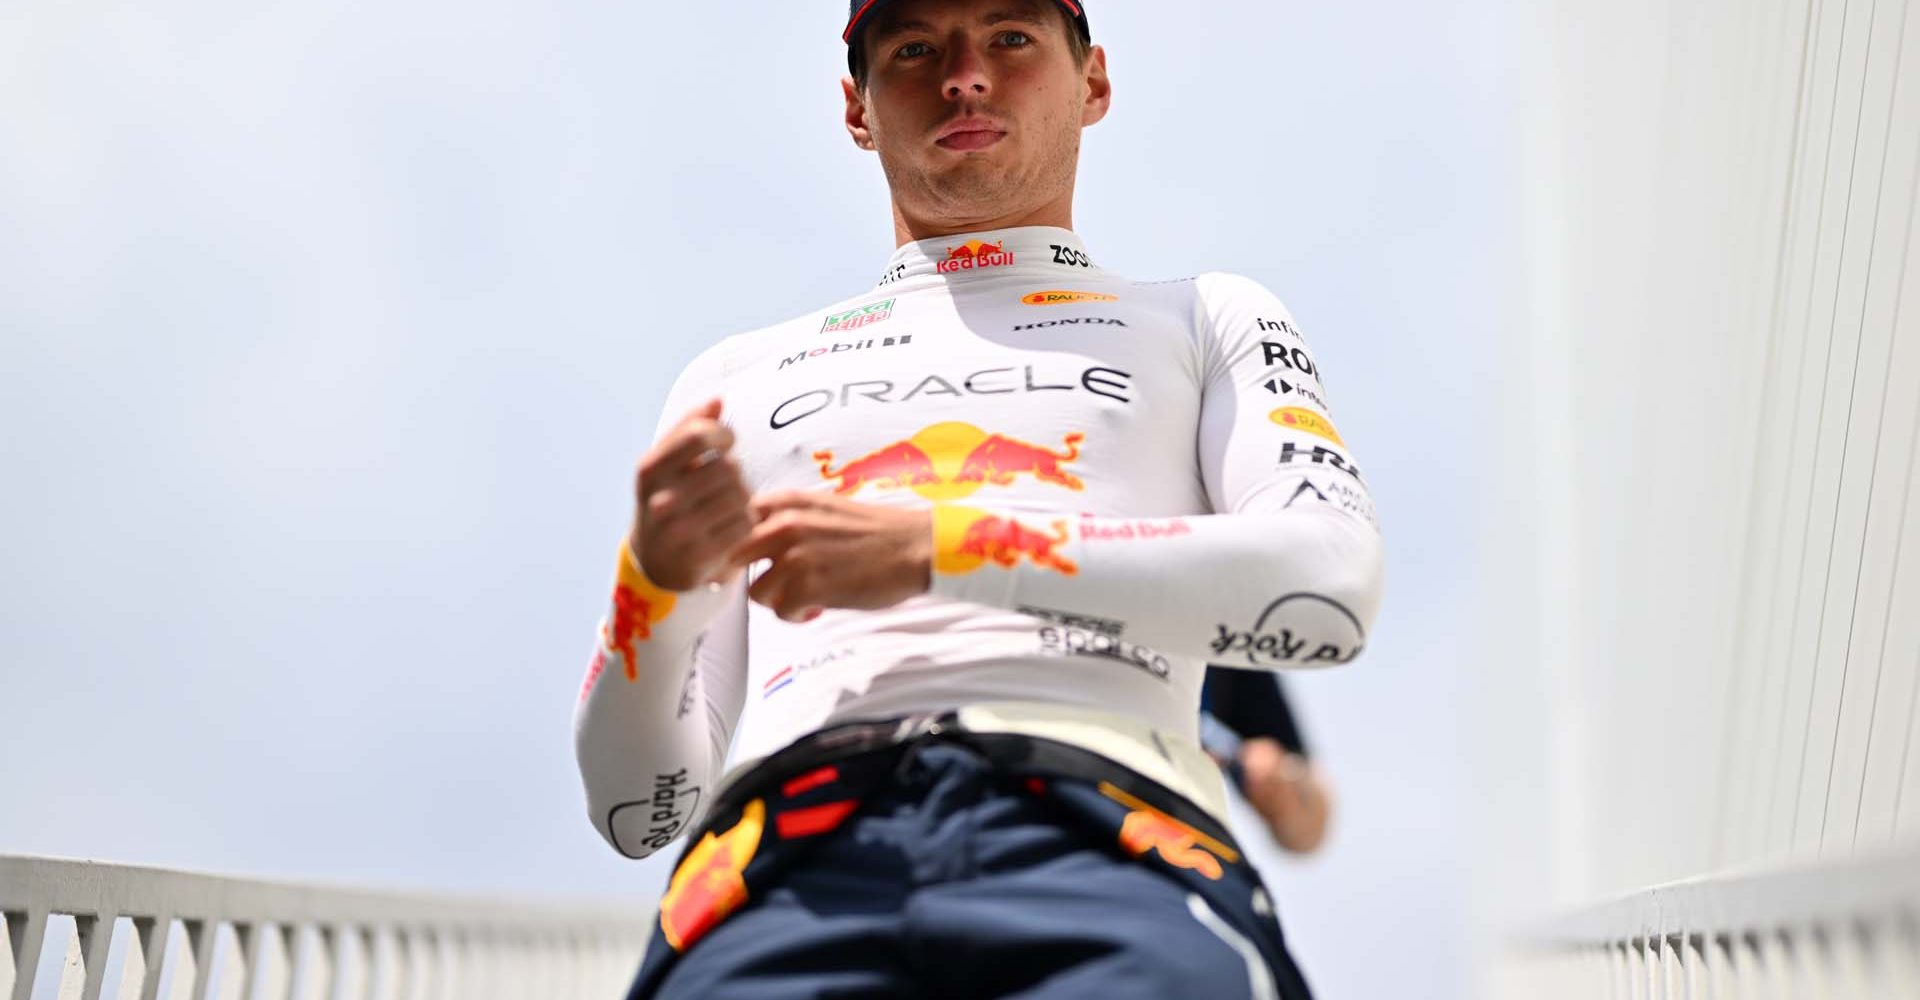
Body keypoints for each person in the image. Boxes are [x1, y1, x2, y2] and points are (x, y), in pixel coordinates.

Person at [572, 2, 1384, 996]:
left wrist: (939, 550)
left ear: (1093, 83)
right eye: (915, 48)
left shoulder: (1206, 315)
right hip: (780, 866)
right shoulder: (733, 375)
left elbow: (1329, 590)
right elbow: (636, 811)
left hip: (1114, 844)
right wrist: (647, 587)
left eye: (1009, 37)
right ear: (856, 109)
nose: (964, 76)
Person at [1201, 667, 1334, 855]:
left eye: (1264, 808)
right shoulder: (1252, 690)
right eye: (1274, 792)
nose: (1259, 791)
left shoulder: (1217, 762)